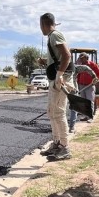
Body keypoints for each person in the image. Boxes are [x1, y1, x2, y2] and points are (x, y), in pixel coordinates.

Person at [37, 13, 75, 161]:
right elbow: (59, 58)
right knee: (51, 112)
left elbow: (67, 55)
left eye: (41, 26)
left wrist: (59, 74)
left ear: (44, 24)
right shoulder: (51, 38)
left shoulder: (55, 35)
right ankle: (57, 143)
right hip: (56, 79)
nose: (41, 29)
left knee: (58, 113)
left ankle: (65, 148)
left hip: (60, 80)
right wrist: (45, 61)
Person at [68, 53, 99, 132]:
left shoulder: (92, 65)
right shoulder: (78, 65)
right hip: (81, 85)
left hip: (90, 85)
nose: (80, 59)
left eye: (81, 58)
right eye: (79, 58)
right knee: (83, 101)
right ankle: (85, 116)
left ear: (86, 58)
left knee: (89, 100)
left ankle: (90, 117)